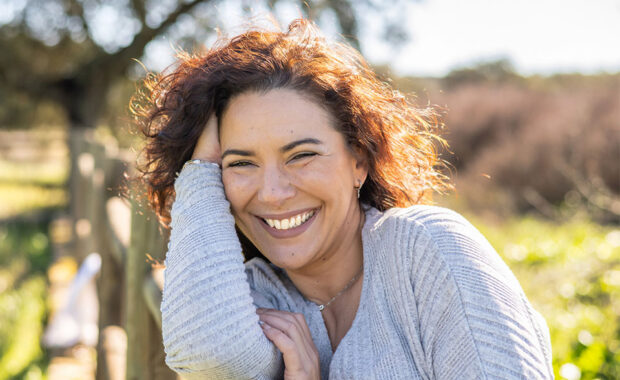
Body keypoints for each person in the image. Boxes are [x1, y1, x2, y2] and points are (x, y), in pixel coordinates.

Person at [135, 19, 554, 379]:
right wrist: (201, 170)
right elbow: (211, 356)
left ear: (359, 161)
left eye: (302, 156)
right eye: (240, 164)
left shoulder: (427, 252)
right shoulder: (255, 297)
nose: (273, 192)